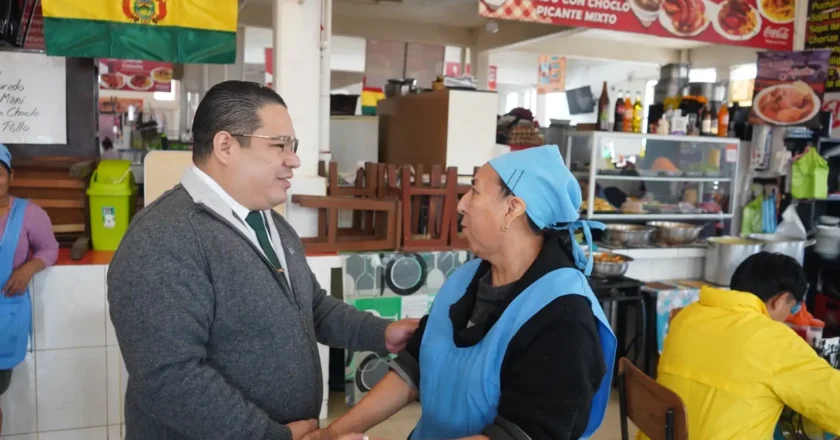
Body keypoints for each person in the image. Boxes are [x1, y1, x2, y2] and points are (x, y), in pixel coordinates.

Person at [107, 81, 419, 440]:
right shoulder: (165, 238)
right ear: (225, 146)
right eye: (279, 145)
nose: (294, 159)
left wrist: (379, 333)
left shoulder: (272, 224)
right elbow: (170, 378)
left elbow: (311, 307)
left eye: (293, 145)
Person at [313, 145, 617, 440]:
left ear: (512, 209)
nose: (461, 204)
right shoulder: (467, 279)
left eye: (474, 190)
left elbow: (521, 434)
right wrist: (332, 433)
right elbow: (413, 368)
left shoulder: (563, 316)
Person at [645, 252, 840, 440]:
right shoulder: (774, 340)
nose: (786, 317)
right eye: (791, 309)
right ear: (780, 300)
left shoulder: (685, 316)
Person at [0, 144, 59, 434]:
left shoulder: (29, 215)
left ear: (11, 176)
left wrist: (28, 268)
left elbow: (49, 249)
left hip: (5, 320)